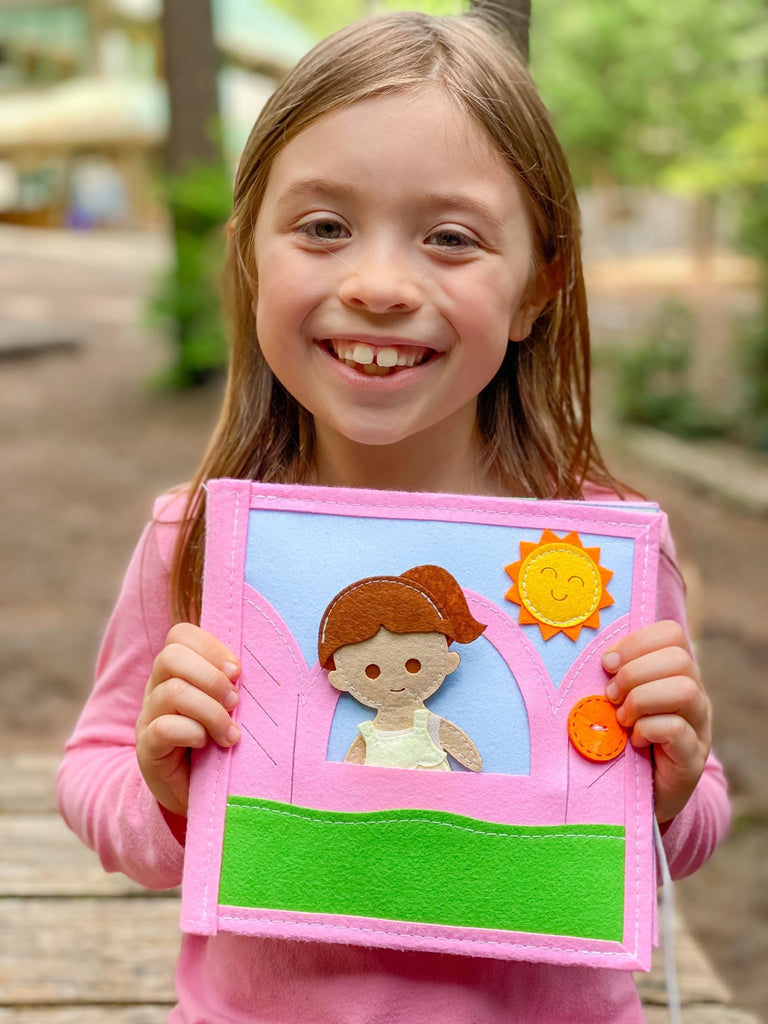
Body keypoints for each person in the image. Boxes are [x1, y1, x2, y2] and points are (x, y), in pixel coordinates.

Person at [58, 11, 729, 1022]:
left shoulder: (601, 551)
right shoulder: (195, 540)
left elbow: (687, 814)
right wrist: (167, 788)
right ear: (249, 256)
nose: (377, 286)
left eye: (451, 238)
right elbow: (95, 769)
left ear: (537, 287)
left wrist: (675, 784)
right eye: (323, 226)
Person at [319, 565, 486, 771]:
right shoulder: (370, 735)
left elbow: (466, 755)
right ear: (341, 678)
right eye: (372, 672)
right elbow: (351, 771)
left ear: (447, 661)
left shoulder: (429, 725)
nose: (395, 680)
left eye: (413, 665)